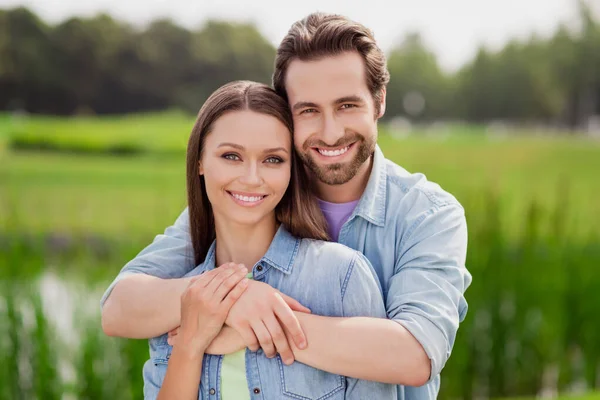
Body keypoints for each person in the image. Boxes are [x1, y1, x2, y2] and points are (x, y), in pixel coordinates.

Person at [101, 12, 472, 399]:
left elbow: (414, 355)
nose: (330, 132)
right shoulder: (252, 200)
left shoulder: (427, 214)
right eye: (308, 110)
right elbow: (119, 308)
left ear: (378, 102)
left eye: (347, 106)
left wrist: (253, 327)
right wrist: (238, 298)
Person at [139, 80, 396, 399]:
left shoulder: (341, 278)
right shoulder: (174, 295)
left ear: (292, 170)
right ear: (200, 162)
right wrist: (190, 345)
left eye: (273, 159)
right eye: (231, 156)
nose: (251, 178)